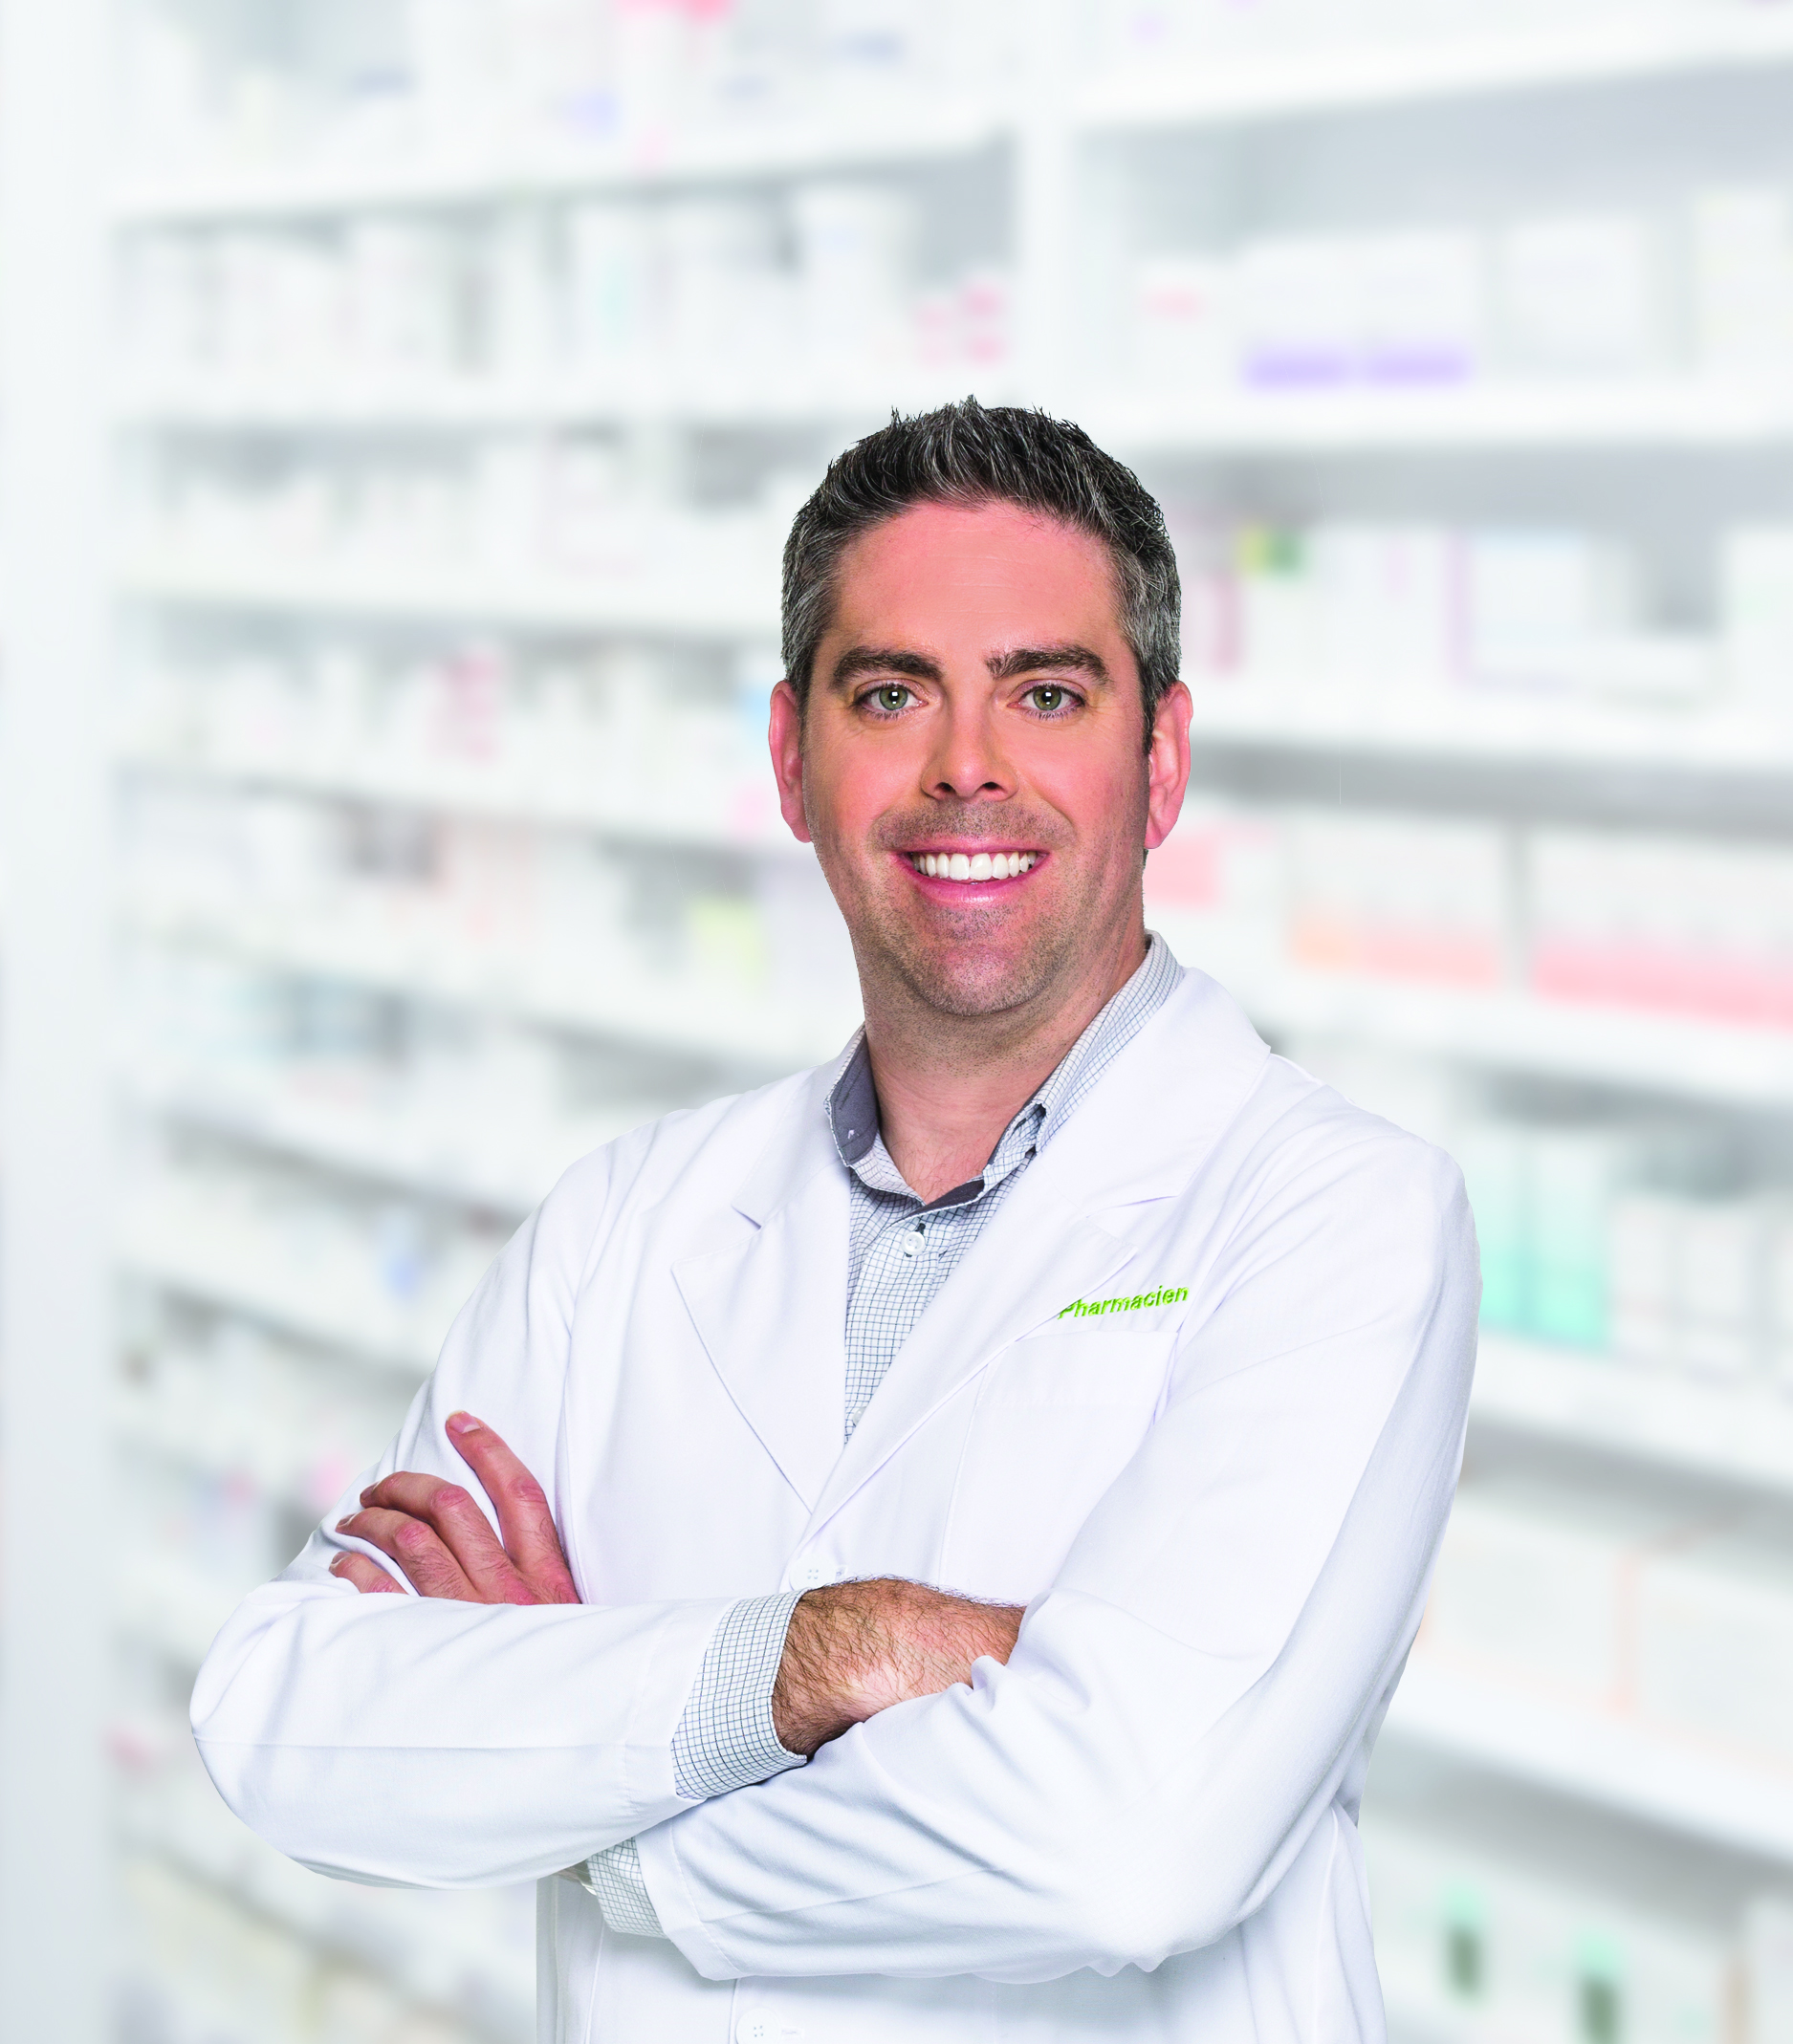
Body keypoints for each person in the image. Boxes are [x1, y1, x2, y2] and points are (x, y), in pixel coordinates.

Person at [192, 400, 1478, 2044]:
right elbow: (285, 1720)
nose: (966, 767)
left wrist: (583, 1790)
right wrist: (817, 1656)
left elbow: (1128, 1845)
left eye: (1045, 692)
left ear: (1159, 762)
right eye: (890, 693)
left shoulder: (1337, 1215)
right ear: (791, 760)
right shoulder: (620, 1225)